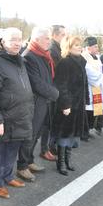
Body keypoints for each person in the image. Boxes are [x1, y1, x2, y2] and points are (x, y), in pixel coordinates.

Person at [0, 27, 34, 198]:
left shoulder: (19, 60)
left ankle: (8, 175)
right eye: (12, 39)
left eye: (19, 39)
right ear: (3, 42)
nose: (17, 43)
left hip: (21, 115)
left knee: (12, 149)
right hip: (4, 117)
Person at [17, 27, 59, 182]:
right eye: (47, 38)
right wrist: (55, 94)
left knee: (37, 133)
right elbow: (36, 83)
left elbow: (48, 79)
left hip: (44, 101)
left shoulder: (43, 55)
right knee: (30, 135)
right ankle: (22, 166)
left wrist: (52, 92)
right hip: (35, 102)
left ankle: (29, 160)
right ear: (37, 40)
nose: (49, 41)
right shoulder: (29, 56)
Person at [52, 36, 88, 175]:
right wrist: (65, 104)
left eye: (80, 45)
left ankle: (67, 160)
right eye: (76, 45)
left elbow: (83, 85)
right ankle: (60, 163)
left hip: (78, 105)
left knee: (72, 134)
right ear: (69, 46)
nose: (80, 47)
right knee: (64, 134)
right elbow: (61, 85)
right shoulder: (65, 62)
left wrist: (85, 101)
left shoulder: (81, 62)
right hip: (67, 105)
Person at [40, 25, 66, 160]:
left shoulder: (56, 48)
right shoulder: (52, 49)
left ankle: (48, 147)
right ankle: (45, 149)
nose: (64, 37)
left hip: (54, 89)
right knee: (47, 123)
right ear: (55, 35)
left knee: (50, 123)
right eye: (62, 34)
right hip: (51, 90)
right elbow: (55, 72)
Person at [81, 37, 103, 138]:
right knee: (88, 111)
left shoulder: (97, 57)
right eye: (95, 46)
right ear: (88, 48)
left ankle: (89, 129)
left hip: (98, 87)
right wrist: (101, 76)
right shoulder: (84, 57)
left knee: (95, 111)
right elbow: (89, 72)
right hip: (89, 87)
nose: (97, 48)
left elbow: (102, 68)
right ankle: (83, 132)